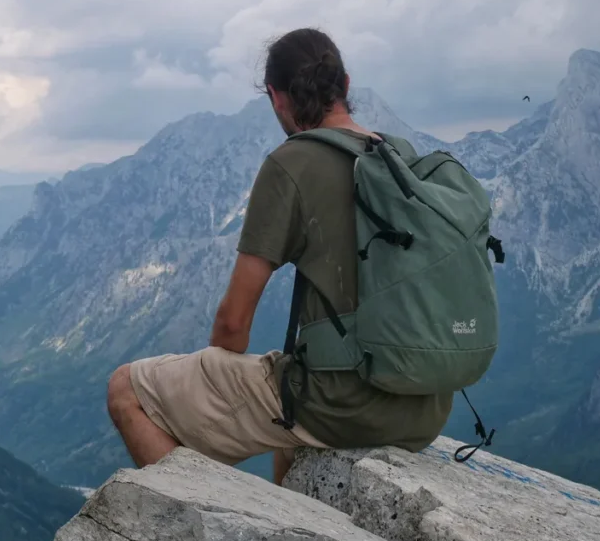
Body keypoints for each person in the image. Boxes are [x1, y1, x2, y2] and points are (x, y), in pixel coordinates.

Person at [106, 27, 454, 485]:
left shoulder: (291, 164)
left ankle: (198, 523)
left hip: (343, 404)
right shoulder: (398, 155)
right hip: (426, 405)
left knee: (126, 389)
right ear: (346, 86)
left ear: (276, 97)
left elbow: (233, 326)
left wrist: (212, 382)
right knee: (287, 415)